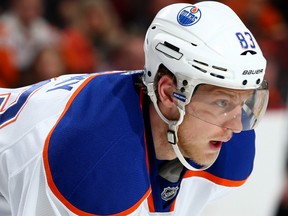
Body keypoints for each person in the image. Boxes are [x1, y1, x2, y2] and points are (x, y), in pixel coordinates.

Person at [0, 2, 269, 216]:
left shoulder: (229, 144)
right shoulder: (92, 160)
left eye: (243, 102)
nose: (235, 126)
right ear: (168, 94)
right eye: (222, 102)